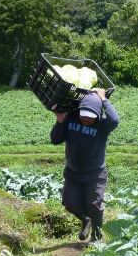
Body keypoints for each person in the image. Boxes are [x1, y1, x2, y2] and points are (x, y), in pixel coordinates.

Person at [50, 88, 119, 243]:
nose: (85, 119)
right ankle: (85, 219)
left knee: (94, 205)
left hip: (95, 173)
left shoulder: (103, 125)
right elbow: (55, 139)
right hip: (73, 172)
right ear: (79, 110)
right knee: (69, 203)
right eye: (83, 114)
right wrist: (60, 121)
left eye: (90, 116)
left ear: (98, 114)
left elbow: (114, 119)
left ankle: (96, 236)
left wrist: (104, 99)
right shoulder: (71, 118)